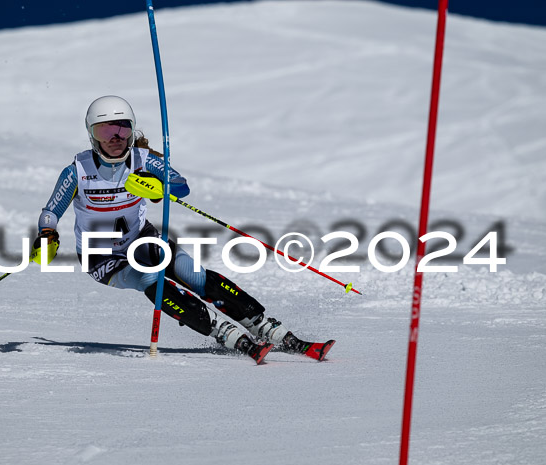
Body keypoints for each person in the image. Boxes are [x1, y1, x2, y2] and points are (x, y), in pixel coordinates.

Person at [34, 95, 333, 363]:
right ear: (92, 136)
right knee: (151, 278)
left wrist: (159, 187)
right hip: (100, 257)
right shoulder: (78, 170)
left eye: (123, 129)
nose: (115, 138)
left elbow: (181, 186)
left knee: (192, 272)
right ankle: (222, 331)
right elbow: (51, 211)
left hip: (142, 239)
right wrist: (47, 235)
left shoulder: (144, 159)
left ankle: (264, 326)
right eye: (105, 131)